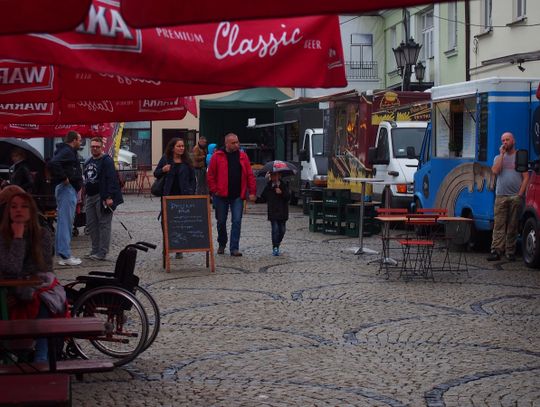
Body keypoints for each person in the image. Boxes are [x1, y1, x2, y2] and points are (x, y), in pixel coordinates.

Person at [0, 192, 66, 362]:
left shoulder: (43, 235)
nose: (18, 210)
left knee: (43, 301)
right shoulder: (3, 236)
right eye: (13, 207)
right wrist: (17, 238)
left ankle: (41, 357)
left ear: (31, 211)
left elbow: (43, 269)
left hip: (37, 289)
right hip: (9, 291)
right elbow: (10, 268)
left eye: (23, 206)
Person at [207, 133, 256, 256]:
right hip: (221, 195)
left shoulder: (243, 156)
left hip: (237, 195)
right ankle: (222, 243)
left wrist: (252, 192)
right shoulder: (217, 156)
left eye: (237, 142)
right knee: (221, 221)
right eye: (234, 143)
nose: (237, 145)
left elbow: (250, 175)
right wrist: (214, 190)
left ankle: (234, 247)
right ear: (227, 143)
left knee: (237, 221)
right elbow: (210, 175)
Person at [487, 132, 529, 262]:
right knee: (498, 225)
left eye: (507, 140)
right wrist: (501, 155)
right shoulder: (498, 158)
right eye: (503, 140)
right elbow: (495, 171)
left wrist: (520, 194)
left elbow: (526, 177)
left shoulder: (520, 157)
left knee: (513, 225)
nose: (505, 142)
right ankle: (496, 250)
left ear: (513, 141)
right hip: (501, 195)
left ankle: (510, 251)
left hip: (515, 196)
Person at [154, 137, 196, 259]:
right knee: (166, 222)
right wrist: (163, 169)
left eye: (183, 146)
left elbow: (192, 179)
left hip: (182, 197)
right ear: (172, 148)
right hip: (168, 196)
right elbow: (156, 173)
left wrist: (191, 192)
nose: (181, 148)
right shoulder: (165, 159)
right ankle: (167, 246)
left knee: (181, 222)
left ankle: (179, 247)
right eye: (179, 146)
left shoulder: (187, 161)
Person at [83, 137, 124, 261]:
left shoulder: (107, 161)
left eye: (97, 146)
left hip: (102, 196)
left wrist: (109, 197)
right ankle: (95, 250)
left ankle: (102, 252)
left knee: (104, 224)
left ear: (102, 147)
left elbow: (112, 179)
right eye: (93, 146)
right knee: (91, 224)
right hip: (89, 196)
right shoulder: (88, 161)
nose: (94, 148)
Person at [48, 131, 83, 266]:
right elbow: (53, 163)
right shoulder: (67, 151)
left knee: (64, 222)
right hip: (66, 190)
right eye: (80, 140)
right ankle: (65, 255)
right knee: (65, 223)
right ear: (74, 140)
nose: (81, 143)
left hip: (66, 189)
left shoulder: (66, 151)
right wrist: (64, 178)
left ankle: (62, 254)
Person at [260, 171, 290, 256]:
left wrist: (281, 193)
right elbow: (263, 197)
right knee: (275, 230)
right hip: (273, 212)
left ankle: (277, 242)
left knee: (282, 230)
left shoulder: (284, 186)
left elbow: (288, 197)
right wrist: (256, 198)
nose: (274, 177)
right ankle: (275, 246)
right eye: (272, 175)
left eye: (276, 175)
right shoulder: (268, 187)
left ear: (280, 176)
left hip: (283, 212)